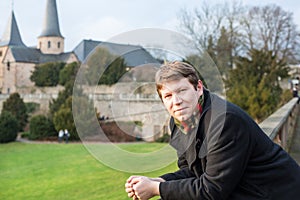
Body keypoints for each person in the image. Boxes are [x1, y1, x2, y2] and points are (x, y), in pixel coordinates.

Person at [125, 61, 300, 200]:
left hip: (274, 193)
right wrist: (159, 181)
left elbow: (212, 190)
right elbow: (193, 172)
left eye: (182, 90)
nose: (176, 101)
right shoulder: (178, 122)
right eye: (168, 96)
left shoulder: (224, 120)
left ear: (198, 88)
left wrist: (156, 189)